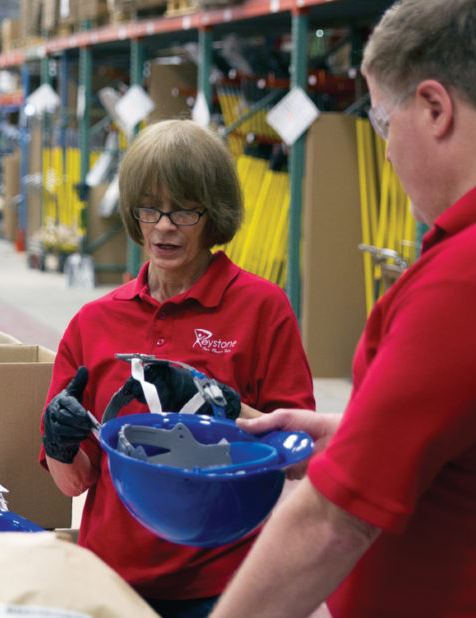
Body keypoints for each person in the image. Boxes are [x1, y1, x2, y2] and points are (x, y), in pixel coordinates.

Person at [210, 1, 476, 616]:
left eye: (385, 125)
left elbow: (329, 526)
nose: (385, 154)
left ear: (436, 109)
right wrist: (361, 432)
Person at [39, 118, 315, 618]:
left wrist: (224, 408)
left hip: (224, 584)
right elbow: (73, 483)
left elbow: (298, 457)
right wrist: (58, 441)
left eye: (184, 211)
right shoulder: (93, 323)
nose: (164, 226)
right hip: (111, 585)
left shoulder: (261, 309)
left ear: (213, 216)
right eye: (150, 209)